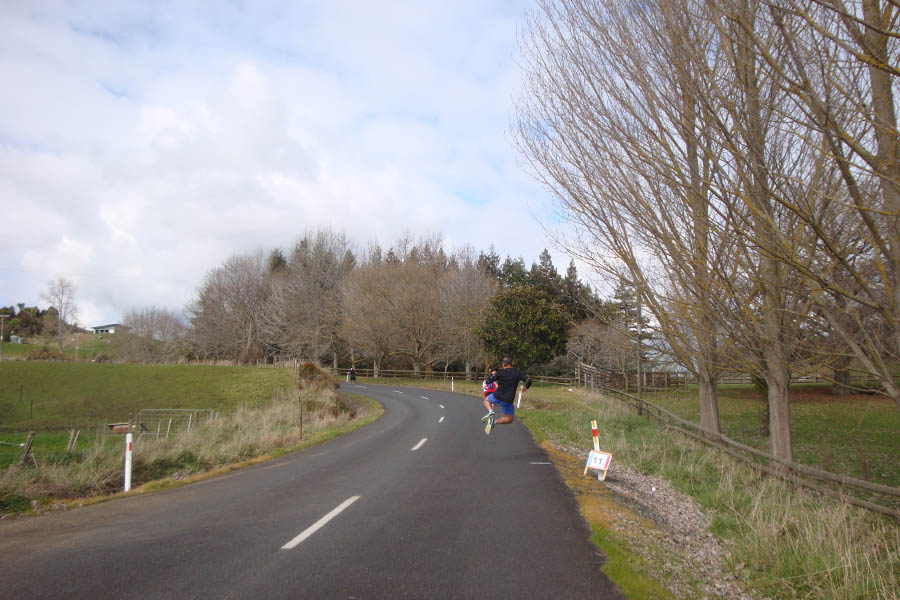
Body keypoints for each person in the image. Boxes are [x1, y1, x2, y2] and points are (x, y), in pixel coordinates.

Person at [481, 357, 531, 434]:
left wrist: (492, 374)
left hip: (497, 395)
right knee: (509, 419)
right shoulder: (518, 373)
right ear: (511, 364)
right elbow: (529, 380)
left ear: (504, 364)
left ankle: (490, 411)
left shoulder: (500, 372)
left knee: (486, 401)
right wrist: (526, 388)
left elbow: (488, 381)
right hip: (508, 399)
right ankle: (494, 422)